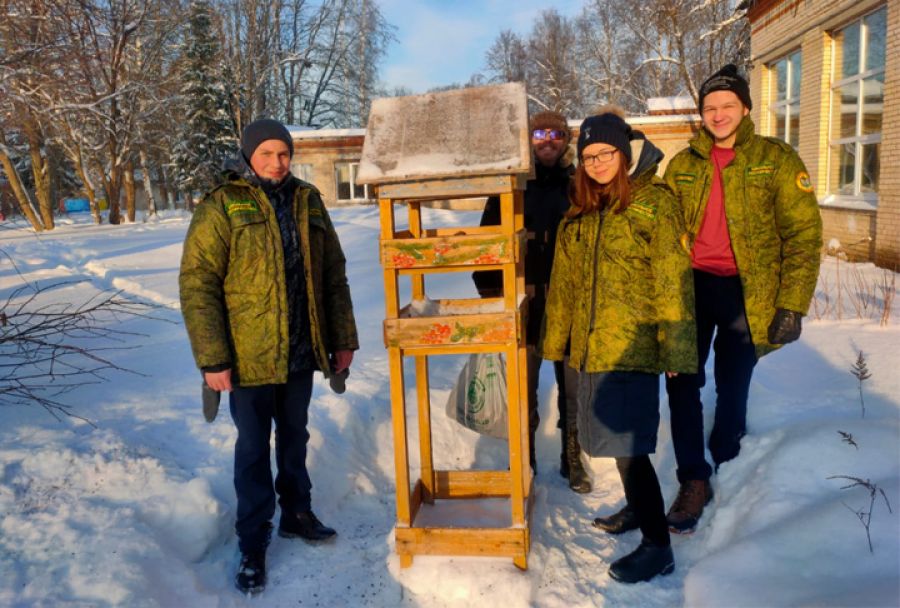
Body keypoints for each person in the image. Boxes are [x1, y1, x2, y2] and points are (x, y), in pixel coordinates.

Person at [179, 118, 359, 594]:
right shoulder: (223, 204)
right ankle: (253, 537)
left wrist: (343, 340)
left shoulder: (309, 201)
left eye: (283, 153)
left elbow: (333, 274)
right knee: (254, 447)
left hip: (300, 350)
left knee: (295, 436)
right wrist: (213, 357)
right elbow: (198, 284)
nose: (277, 163)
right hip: (247, 355)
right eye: (266, 154)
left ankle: (297, 513)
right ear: (248, 157)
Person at [662, 64, 823, 533]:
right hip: (690, 289)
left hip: (745, 293)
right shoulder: (685, 164)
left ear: (745, 108)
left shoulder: (776, 160)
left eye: (727, 105)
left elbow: (803, 235)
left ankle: (730, 457)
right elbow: (661, 234)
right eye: (710, 107)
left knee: (733, 381)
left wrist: (791, 304)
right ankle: (694, 476)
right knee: (681, 381)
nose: (718, 114)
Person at [541, 109, 697, 583]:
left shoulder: (654, 202)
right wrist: (557, 343)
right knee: (612, 440)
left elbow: (673, 280)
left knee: (630, 448)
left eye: (606, 153)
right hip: (590, 348)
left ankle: (657, 545)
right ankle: (637, 509)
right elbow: (564, 283)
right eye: (589, 155)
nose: (597, 162)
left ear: (624, 152)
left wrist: (676, 351)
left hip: (634, 347)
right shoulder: (585, 207)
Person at [473, 110, 591, 493]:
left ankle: (572, 456)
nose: (548, 140)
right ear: (530, 139)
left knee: (572, 386)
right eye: (540, 133)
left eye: (556, 134)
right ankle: (524, 458)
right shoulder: (511, 187)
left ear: (566, 139)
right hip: (525, 302)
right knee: (523, 386)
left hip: (568, 302)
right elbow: (486, 247)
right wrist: (494, 295)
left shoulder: (579, 185)